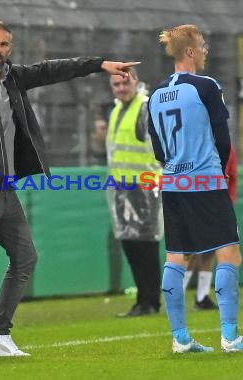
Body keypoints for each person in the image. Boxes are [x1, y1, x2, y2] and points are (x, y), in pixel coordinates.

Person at [0, 20, 140, 359]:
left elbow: (53, 70)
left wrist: (99, 65)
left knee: (25, 257)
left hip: (4, 189)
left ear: (10, 48)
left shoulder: (14, 78)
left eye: (4, 45)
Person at [148, 24, 243, 353]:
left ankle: (180, 338)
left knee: (176, 257)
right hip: (206, 181)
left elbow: (158, 149)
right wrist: (216, 169)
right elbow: (223, 138)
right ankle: (230, 337)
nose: (204, 51)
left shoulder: (156, 93)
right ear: (189, 51)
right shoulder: (205, 86)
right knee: (228, 252)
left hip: (173, 184)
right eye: (202, 46)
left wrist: (176, 166)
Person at [105, 69, 162, 317]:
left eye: (124, 83)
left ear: (136, 82)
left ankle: (150, 301)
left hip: (145, 187)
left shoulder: (145, 108)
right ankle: (143, 300)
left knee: (145, 247)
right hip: (121, 188)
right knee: (130, 245)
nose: (120, 88)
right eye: (116, 84)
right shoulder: (117, 109)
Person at [183, 146, 237, 311]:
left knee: (206, 254)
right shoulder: (203, 147)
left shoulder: (224, 148)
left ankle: (201, 297)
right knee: (191, 253)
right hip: (202, 204)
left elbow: (230, 176)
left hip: (215, 205)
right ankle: (178, 295)